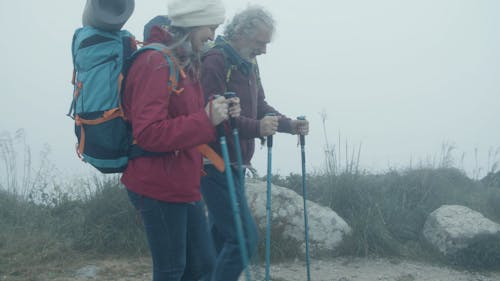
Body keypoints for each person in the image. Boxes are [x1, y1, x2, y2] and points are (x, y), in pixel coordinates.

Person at [120, 0, 241, 280]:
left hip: (183, 182)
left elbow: (188, 118)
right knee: (172, 271)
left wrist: (219, 112)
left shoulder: (184, 62)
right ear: (192, 23)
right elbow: (148, 132)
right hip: (157, 185)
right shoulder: (155, 62)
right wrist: (206, 119)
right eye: (210, 27)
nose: (212, 35)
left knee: (202, 267)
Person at [200, 5, 309, 281]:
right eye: (260, 43)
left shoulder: (248, 63)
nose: (264, 50)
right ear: (240, 33)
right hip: (213, 163)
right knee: (243, 238)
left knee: (221, 241)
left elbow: (259, 105)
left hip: (235, 163)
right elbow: (212, 118)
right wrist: (258, 128)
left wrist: (287, 125)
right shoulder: (215, 60)